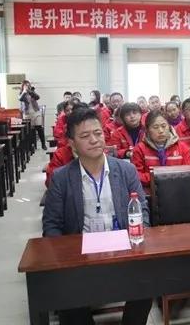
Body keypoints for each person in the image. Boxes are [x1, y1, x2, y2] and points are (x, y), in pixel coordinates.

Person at [42, 108, 152, 325]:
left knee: (149, 280)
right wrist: (64, 260)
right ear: (72, 143)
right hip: (80, 257)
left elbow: (142, 212)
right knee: (64, 293)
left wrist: (138, 244)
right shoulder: (61, 178)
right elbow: (51, 226)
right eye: (85, 136)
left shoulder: (126, 171)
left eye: (98, 133)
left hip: (123, 252)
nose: (94, 140)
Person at [131, 110, 190, 187]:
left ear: (170, 127)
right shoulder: (139, 149)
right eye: (155, 127)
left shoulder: (182, 147)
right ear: (147, 130)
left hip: (179, 189)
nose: (161, 131)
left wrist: (167, 177)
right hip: (151, 190)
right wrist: (159, 178)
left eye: (164, 126)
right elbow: (136, 175)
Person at [19, 80, 47, 150]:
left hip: (36, 112)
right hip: (27, 114)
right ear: (23, 86)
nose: (27, 86)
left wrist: (30, 92)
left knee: (39, 127)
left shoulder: (32, 92)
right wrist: (24, 92)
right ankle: (32, 146)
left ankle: (43, 144)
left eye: (28, 85)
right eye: (25, 85)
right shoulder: (21, 93)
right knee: (30, 130)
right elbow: (20, 99)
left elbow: (37, 97)